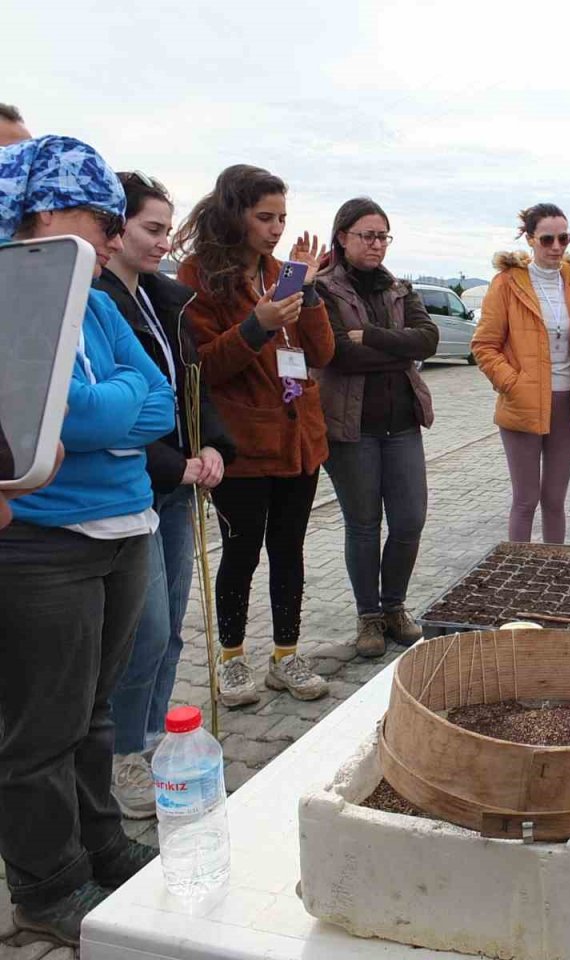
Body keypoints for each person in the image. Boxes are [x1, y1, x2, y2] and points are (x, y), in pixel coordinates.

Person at [0, 136, 175, 944]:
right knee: (43, 727)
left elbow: (157, 404)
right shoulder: (12, 294)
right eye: (99, 216)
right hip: (45, 542)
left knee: (98, 712)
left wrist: (107, 403)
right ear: (40, 208)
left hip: (124, 525)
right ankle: (47, 886)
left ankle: (101, 847)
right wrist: (110, 404)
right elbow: (82, 413)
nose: (111, 235)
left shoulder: (98, 301)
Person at [95, 172, 236, 817]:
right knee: (141, 628)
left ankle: (154, 741)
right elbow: (114, 410)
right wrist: (171, 463)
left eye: (165, 230)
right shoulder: (94, 300)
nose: (162, 242)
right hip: (135, 488)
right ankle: (122, 752)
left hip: (180, 485)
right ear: (114, 227)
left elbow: (191, 386)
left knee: (172, 623)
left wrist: (211, 446)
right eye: (152, 229)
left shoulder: (166, 299)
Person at [173, 164, 335, 707]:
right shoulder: (198, 277)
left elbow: (322, 353)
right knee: (240, 554)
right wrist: (256, 324)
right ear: (233, 214)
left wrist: (307, 293)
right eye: (264, 217)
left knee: (289, 549)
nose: (276, 228)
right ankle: (232, 660)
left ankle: (286, 656)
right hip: (243, 447)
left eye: (282, 217)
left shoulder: (282, 272)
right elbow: (202, 366)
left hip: (299, 439)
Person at [315, 198, 439, 658]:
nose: (376, 244)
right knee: (364, 524)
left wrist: (372, 338)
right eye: (367, 235)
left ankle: (395, 606)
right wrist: (397, 349)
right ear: (342, 237)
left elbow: (427, 340)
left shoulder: (401, 288)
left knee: (409, 521)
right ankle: (369, 615)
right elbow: (335, 353)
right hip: (352, 428)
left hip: (403, 423)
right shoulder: (323, 289)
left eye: (383, 235)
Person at [472, 203, 570, 543]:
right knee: (526, 500)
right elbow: (484, 345)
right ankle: (519, 576)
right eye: (547, 239)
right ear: (530, 239)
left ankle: (555, 575)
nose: (557, 247)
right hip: (522, 403)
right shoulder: (506, 283)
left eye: (564, 238)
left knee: (555, 501)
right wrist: (513, 384)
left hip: (568, 403)